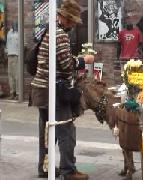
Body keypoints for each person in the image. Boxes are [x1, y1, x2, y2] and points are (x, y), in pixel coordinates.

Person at [30, 0, 94, 179]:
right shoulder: (60, 35)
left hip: (40, 89)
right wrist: (84, 60)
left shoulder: (47, 30)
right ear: (65, 18)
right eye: (72, 21)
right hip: (55, 92)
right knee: (66, 130)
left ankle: (44, 167)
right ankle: (68, 170)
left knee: (46, 132)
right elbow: (66, 65)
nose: (74, 25)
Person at [6, 22, 19, 100]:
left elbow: (24, 44)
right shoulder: (9, 33)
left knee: (17, 75)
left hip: (17, 56)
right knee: (10, 75)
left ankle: (18, 93)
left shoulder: (20, 32)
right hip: (9, 55)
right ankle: (12, 93)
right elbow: (7, 43)